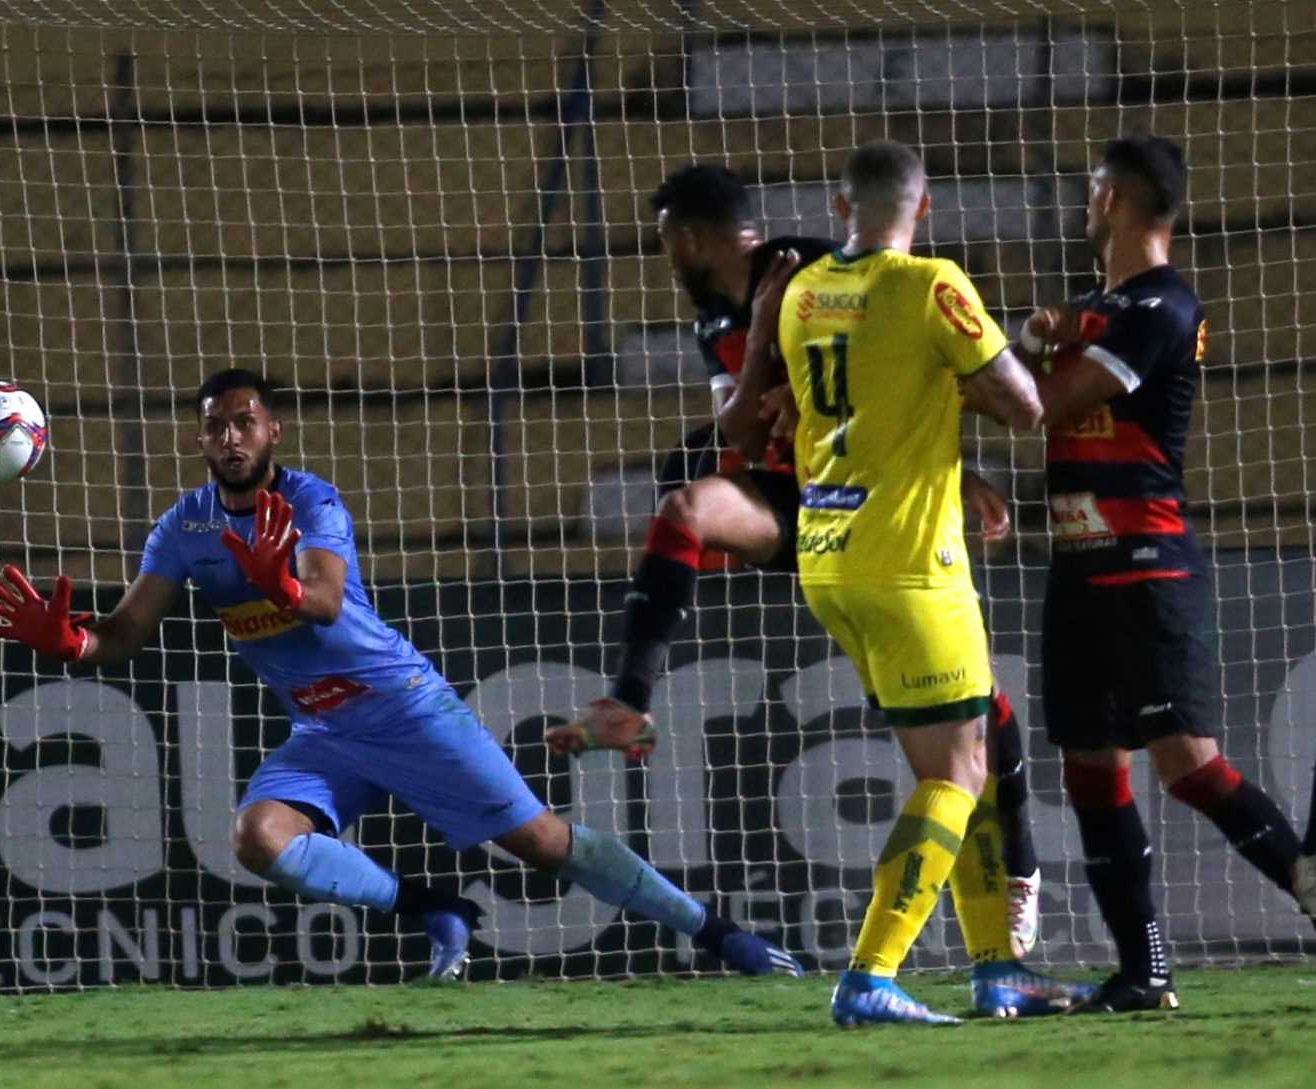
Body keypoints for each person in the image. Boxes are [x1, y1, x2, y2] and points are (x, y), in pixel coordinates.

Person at [0, 368, 803, 982]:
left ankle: (722, 935)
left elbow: (329, 601)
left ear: (274, 433)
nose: (230, 437)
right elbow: (125, 632)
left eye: (245, 422)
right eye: (215, 427)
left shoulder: (311, 501)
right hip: (324, 727)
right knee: (258, 837)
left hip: (400, 702)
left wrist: (282, 583)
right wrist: (73, 643)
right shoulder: (183, 526)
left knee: (542, 844)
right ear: (200, 442)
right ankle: (432, 907)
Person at [551, 162, 1043, 958]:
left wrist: (962, 474)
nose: (664, 253)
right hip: (809, 510)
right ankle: (628, 699)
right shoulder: (718, 317)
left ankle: (1014, 866)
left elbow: (904, 374)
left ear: (686, 236)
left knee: (972, 714)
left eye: (665, 239)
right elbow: (744, 429)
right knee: (685, 505)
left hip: (876, 506)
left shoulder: (819, 272)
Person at [719, 139, 1092, 1025]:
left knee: (966, 755)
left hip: (829, 555)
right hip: (912, 561)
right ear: (921, 211)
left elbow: (741, 430)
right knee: (961, 772)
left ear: (842, 209)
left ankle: (999, 967)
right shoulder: (934, 285)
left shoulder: (801, 293)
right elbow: (1026, 404)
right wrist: (991, 358)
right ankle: (871, 976)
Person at [1013, 136, 1312, 1012]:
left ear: (1111, 199)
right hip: (1078, 564)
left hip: (1147, 563)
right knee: (1087, 765)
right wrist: (1044, 331)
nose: (1086, 202)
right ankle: (1145, 972)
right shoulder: (1100, 307)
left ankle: (1306, 886)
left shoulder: (1164, 304)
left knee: (1188, 766)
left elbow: (1048, 405)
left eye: (1092, 190)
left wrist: (1016, 350)